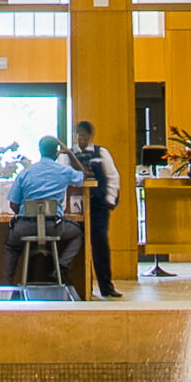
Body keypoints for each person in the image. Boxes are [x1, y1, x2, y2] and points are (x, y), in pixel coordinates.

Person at [7, 136, 84, 287]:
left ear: (39, 150)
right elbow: (83, 174)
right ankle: (61, 267)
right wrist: (68, 152)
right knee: (78, 233)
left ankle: (7, 282)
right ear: (56, 153)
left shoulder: (25, 172)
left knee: (11, 246)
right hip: (53, 226)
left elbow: (13, 205)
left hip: (24, 227)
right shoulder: (64, 171)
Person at [71, 119, 121, 299]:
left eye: (85, 136)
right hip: (75, 206)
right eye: (79, 136)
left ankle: (106, 287)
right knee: (77, 244)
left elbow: (113, 177)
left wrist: (109, 200)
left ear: (90, 136)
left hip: (98, 204)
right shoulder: (67, 155)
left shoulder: (102, 153)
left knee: (100, 243)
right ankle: (82, 287)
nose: (81, 139)